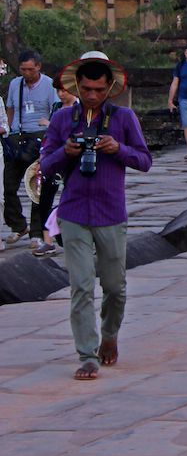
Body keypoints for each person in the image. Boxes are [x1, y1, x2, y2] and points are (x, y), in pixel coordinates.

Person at [40, 51, 152, 381]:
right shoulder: (62, 120)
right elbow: (44, 167)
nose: (92, 96)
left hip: (111, 212)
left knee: (115, 287)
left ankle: (110, 334)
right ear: (77, 86)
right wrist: (66, 152)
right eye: (86, 89)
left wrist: (119, 149)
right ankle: (87, 354)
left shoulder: (123, 118)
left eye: (98, 90)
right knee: (81, 286)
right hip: (73, 212)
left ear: (109, 88)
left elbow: (145, 161)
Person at [5, 49, 59, 247]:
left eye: (30, 69)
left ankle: (37, 231)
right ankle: (17, 224)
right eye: (22, 69)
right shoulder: (15, 84)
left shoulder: (49, 85)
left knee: (36, 186)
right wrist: (9, 130)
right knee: (8, 185)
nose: (26, 73)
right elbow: (11, 108)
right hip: (18, 135)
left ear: (38, 67)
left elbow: (56, 110)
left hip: (39, 136)